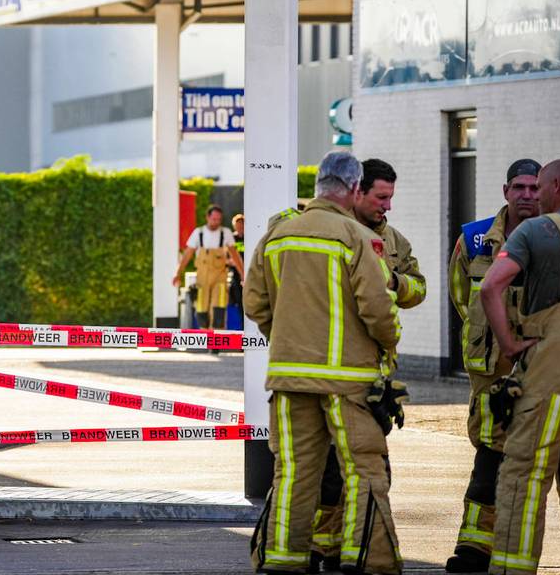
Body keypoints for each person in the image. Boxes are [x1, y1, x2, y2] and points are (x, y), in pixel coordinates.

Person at [246, 151, 404, 575]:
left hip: (289, 377)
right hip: (348, 384)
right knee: (363, 473)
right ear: (354, 190)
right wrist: (388, 345)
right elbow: (377, 308)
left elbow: (255, 303)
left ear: (318, 185)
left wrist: (287, 341)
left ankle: (281, 561)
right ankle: (365, 560)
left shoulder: (278, 235)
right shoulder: (356, 238)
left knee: (294, 473)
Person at [479, 158, 560, 575]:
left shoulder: (535, 230)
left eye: (541, 188)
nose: (535, 197)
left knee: (526, 468)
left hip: (553, 361)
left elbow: (491, 287)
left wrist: (509, 344)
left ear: (559, 186)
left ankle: (513, 566)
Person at [312, 158, 428, 571]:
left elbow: (419, 288)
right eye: (381, 197)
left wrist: (395, 283)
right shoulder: (332, 232)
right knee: (327, 466)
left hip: (374, 371)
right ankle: (324, 545)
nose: (388, 207)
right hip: (330, 365)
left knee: (369, 463)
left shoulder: (394, 241)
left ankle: (353, 549)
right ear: (356, 190)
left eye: (391, 198)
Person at [441, 159, 541, 573]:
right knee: (490, 451)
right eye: (520, 187)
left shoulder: (559, 236)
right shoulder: (475, 238)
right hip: (492, 368)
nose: (528, 196)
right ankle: (475, 545)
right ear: (505, 191)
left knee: (555, 456)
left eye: (535, 188)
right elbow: (462, 295)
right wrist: (491, 337)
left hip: (543, 364)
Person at [174, 204, 244, 330]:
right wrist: (178, 273)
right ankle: (205, 338)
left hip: (220, 277)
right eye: (213, 219)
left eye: (218, 220)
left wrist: (243, 274)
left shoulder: (226, 233)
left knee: (219, 308)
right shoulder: (198, 233)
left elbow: (235, 256)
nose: (216, 222)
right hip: (202, 278)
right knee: (202, 309)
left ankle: (216, 344)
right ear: (207, 217)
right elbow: (187, 254)